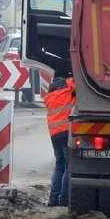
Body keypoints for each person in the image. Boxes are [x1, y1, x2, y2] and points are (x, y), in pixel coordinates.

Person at [45, 76, 75, 207]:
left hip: (55, 135)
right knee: (69, 165)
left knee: (59, 165)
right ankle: (64, 199)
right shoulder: (67, 93)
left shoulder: (50, 98)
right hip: (66, 132)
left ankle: (53, 198)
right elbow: (75, 84)